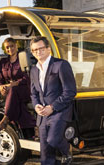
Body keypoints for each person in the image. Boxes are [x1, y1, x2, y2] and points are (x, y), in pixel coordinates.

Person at [30, 36, 77, 165]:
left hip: (59, 112)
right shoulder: (33, 70)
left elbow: (70, 91)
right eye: (34, 50)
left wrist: (53, 107)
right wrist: (36, 106)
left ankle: (67, 152)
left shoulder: (61, 65)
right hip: (43, 115)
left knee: (53, 140)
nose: (38, 52)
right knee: (45, 155)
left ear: (48, 49)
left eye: (41, 48)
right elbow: (33, 93)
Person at [0, 38, 36, 136]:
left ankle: (5, 120)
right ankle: (29, 132)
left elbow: (26, 78)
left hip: (25, 89)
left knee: (14, 90)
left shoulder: (23, 59)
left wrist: (11, 85)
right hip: (11, 92)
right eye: (7, 47)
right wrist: (1, 87)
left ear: (16, 46)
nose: (10, 49)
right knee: (18, 103)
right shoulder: (3, 61)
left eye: (12, 46)